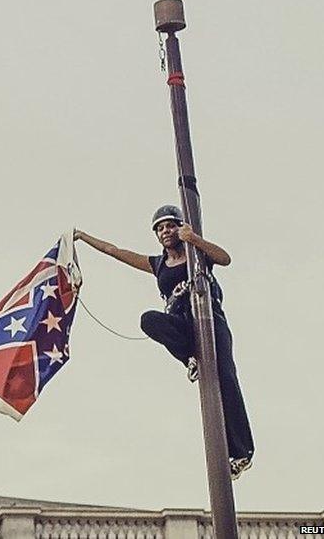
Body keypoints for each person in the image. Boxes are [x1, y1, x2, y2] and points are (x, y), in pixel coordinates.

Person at [74, 205, 254, 480]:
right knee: (149, 319)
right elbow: (115, 251)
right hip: (181, 322)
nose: (165, 231)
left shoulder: (197, 254)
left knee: (226, 379)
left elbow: (225, 258)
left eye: (170, 225)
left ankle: (241, 452)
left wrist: (194, 239)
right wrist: (84, 237)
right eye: (160, 228)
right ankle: (190, 358)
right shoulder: (157, 264)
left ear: (180, 227)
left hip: (210, 320)